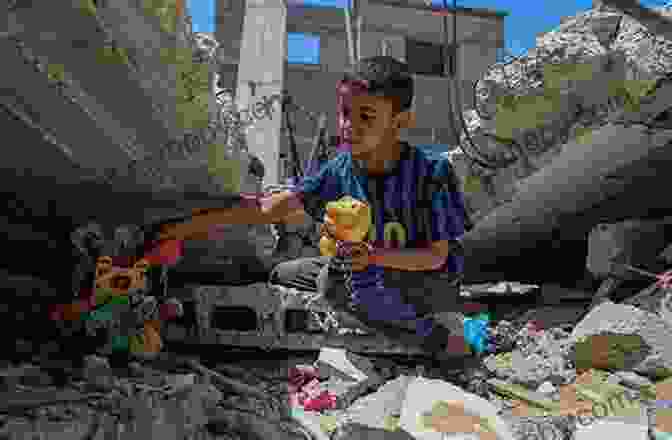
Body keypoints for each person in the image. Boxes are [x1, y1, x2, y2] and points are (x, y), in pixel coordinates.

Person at [144, 56, 485, 358]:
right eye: (345, 113)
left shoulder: (432, 172)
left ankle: (440, 334)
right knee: (282, 273)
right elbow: (271, 207)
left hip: (422, 279)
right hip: (361, 266)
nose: (349, 126)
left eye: (366, 116)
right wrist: (180, 229)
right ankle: (367, 299)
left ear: (400, 122)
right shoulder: (341, 167)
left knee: (342, 290)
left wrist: (373, 257)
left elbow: (436, 257)